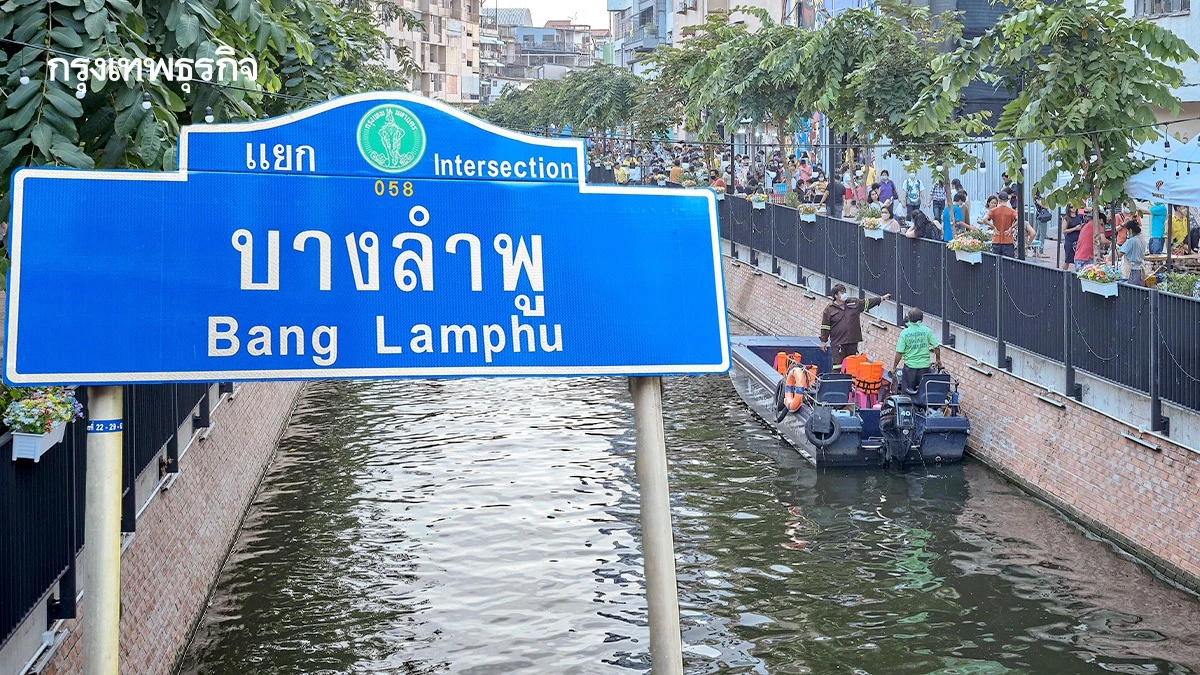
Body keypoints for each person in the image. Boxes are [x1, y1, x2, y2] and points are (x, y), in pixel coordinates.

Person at [820, 284, 891, 370]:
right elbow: (825, 326)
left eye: (844, 291)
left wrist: (882, 298)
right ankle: (838, 381)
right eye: (841, 292)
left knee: (852, 365)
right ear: (836, 296)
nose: (844, 294)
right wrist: (823, 341)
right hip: (838, 343)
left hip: (852, 342)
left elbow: (867, 302)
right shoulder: (829, 309)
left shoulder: (853, 303)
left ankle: (850, 382)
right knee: (838, 366)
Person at [893, 308, 942, 395]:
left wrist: (894, 367)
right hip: (925, 369)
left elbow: (899, 353)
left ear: (909, 319)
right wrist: (938, 360)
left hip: (910, 370)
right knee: (924, 394)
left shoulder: (904, 333)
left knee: (907, 394)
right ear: (921, 319)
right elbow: (936, 347)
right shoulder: (927, 331)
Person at [1118, 220, 1148, 286]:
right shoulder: (1142, 239)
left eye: (1127, 231)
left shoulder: (1131, 241)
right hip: (1140, 269)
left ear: (1130, 230)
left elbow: (1119, 254)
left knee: (1131, 291)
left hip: (1131, 270)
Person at [1061, 205, 1087, 270]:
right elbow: (1064, 231)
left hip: (1079, 240)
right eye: (1071, 207)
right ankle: (1064, 274)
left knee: (1079, 258)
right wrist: (1075, 228)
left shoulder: (1080, 216)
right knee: (1068, 260)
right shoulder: (1067, 218)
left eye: (1074, 206)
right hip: (1070, 240)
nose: (1073, 208)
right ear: (1068, 208)